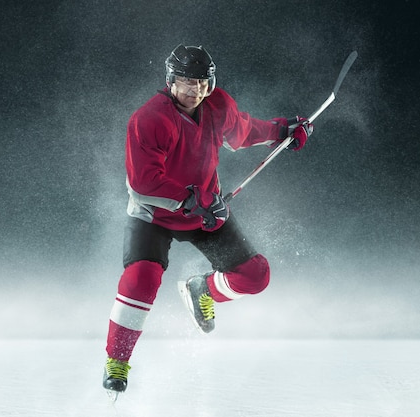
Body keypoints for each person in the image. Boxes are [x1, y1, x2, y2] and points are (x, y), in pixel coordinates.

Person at [102, 44, 313, 396]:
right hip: (155, 216)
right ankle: (117, 361)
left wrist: (282, 131)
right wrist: (190, 198)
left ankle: (204, 290)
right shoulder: (149, 119)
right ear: (170, 81)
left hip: (204, 211)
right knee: (141, 279)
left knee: (255, 275)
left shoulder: (217, 107)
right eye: (186, 81)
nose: (194, 90)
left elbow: (244, 132)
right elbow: (143, 183)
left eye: (201, 82)